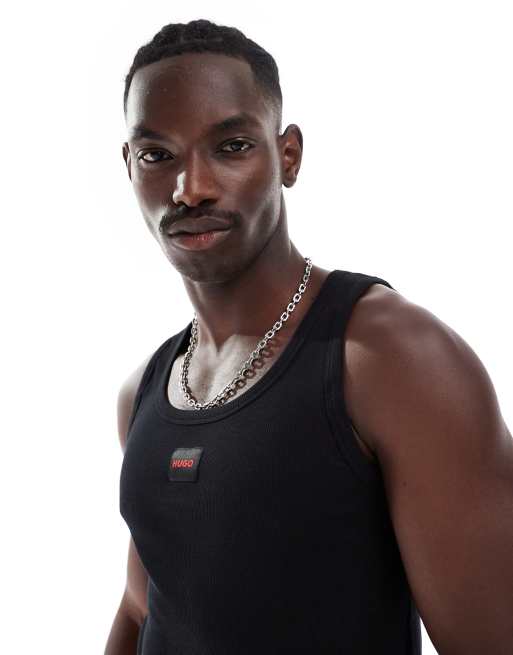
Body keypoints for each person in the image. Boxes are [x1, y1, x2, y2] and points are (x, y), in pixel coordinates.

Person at [104, 19, 513, 655]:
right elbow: (142, 607)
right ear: (129, 166)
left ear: (288, 155)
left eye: (232, 146)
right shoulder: (145, 393)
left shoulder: (391, 357)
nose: (191, 188)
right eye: (158, 155)